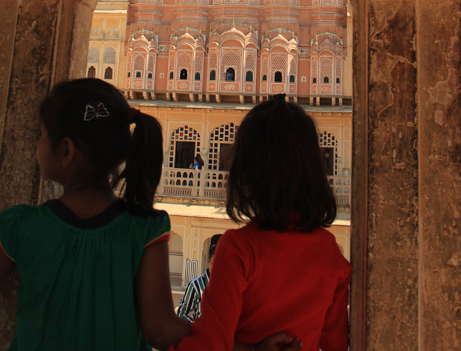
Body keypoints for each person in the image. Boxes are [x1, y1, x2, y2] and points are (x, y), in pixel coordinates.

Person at [0, 79, 300, 351]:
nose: (36, 145)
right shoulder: (144, 229)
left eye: (40, 135)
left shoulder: (21, 227)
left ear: (65, 150)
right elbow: (162, 330)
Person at [166, 95, 352, 351]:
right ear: (314, 171)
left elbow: (209, 344)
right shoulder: (329, 250)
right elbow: (336, 344)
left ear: (245, 171)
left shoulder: (239, 249)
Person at [177, 234, 222, 321]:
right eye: (214, 263)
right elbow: (181, 314)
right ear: (208, 261)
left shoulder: (231, 285)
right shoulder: (195, 285)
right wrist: (197, 328)